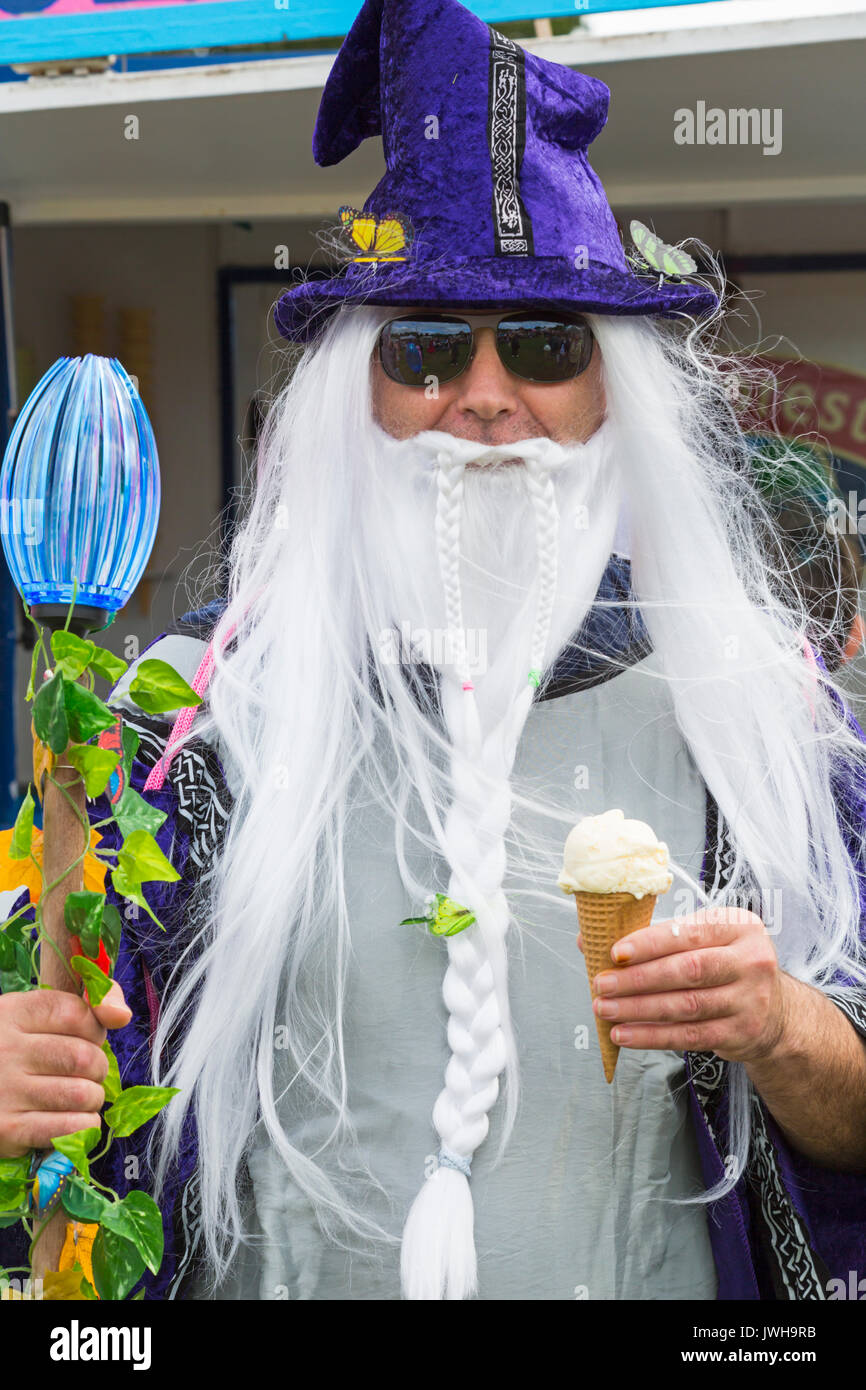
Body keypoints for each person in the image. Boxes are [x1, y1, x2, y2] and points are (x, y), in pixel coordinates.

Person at [3, 0, 866, 1302]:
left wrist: (785, 1026)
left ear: (606, 391)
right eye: (423, 346)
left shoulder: (752, 718)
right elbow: (62, 1097)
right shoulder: (185, 721)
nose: (481, 392)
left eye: (539, 344)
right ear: (358, 390)